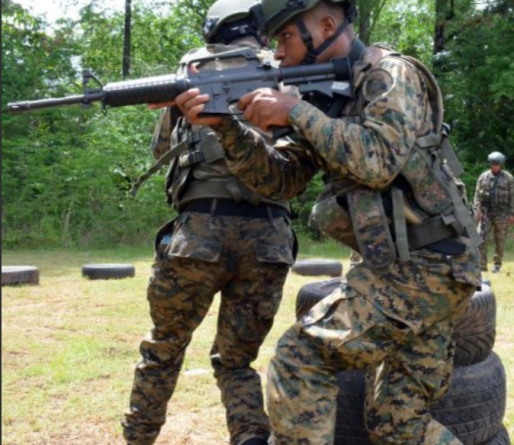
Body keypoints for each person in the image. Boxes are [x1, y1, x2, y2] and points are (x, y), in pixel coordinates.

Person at [168, 0, 481, 444]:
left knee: (300, 357)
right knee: (398, 426)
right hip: (407, 267)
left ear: (328, 25)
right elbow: (280, 181)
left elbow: (378, 161)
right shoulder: (325, 98)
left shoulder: (388, 76)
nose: (278, 52)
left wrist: (293, 112)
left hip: (429, 265)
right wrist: (227, 129)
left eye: (286, 37)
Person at [122, 2, 298, 444]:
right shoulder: (284, 71)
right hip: (269, 240)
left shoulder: (193, 70)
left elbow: (161, 146)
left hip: (200, 235)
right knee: (236, 362)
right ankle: (251, 438)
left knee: (163, 351)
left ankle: (138, 438)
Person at [473, 151, 514, 273]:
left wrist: (512, 214)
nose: (495, 166)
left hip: (502, 214)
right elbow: (477, 195)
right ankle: (482, 265)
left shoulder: (508, 178)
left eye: (497, 164)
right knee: (480, 237)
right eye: (493, 164)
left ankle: (497, 265)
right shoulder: (483, 177)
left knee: (500, 240)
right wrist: (478, 210)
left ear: (501, 164)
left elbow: (513, 197)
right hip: (486, 213)